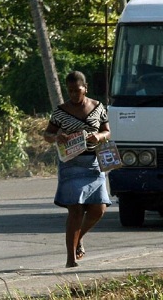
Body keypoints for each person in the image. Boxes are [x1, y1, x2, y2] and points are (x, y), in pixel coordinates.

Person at [43, 71, 112, 268]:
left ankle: (78, 237)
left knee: (99, 209)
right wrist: (57, 137)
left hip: (93, 163)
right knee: (75, 210)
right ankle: (70, 258)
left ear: (86, 88)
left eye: (77, 90)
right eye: (70, 91)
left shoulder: (98, 107)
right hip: (71, 164)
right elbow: (47, 133)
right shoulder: (60, 111)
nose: (73, 95)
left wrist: (98, 137)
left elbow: (107, 131)